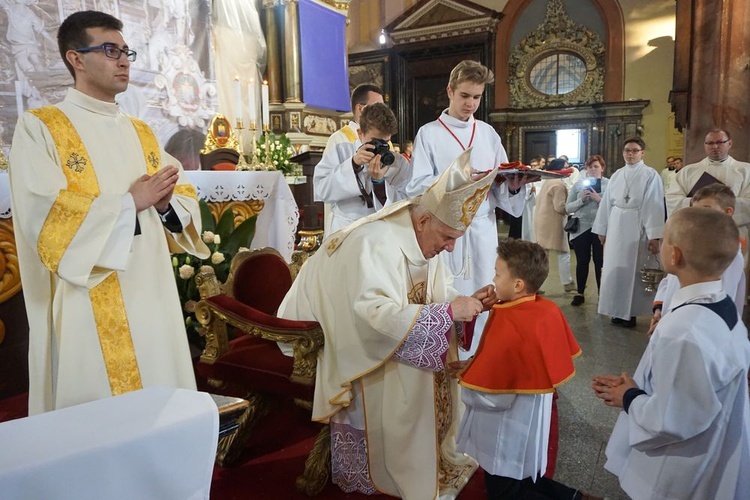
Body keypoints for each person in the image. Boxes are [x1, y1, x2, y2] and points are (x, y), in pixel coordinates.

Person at [8, 10, 209, 414]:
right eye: (109, 49)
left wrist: (168, 205)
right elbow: (43, 216)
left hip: (149, 289)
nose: (123, 60)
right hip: (88, 294)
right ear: (75, 59)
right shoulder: (43, 128)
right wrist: (128, 204)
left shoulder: (141, 131)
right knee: (99, 420)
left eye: (125, 51)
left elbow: (179, 191)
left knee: (159, 407)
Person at [278, 149, 498, 499]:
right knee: (409, 369)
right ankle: (397, 464)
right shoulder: (374, 243)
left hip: (380, 329)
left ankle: (429, 457)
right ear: (423, 221)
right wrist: (447, 314)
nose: (450, 248)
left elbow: (439, 293)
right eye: (447, 237)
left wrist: (467, 304)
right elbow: (371, 316)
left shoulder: (425, 238)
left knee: (428, 358)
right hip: (329, 330)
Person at [593, 207, 750, 499]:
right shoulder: (721, 305)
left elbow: (673, 419)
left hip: (684, 466)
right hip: (713, 444)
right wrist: (641, 388)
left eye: (664, 239)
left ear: (675, 255)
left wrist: (628, 397)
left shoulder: (684, 330)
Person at [407, 60, 534, 359]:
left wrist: (513, 184)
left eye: (476, 97)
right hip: (446, 233)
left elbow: (502, 187)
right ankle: (449, 355)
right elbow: (417, 186)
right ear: (450, 91)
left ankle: (481, 355)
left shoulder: (488, 133)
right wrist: (462, 178)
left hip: (482, 230)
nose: (470, 103)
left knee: (485, 289)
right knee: (449, 291)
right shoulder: (429, 133)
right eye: (465, 95)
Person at [456, 238, 590, 500]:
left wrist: (467, 381)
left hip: (505, 433)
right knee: (527, 476)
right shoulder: (544, 309)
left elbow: (495, 396)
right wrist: (477, 365)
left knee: (504, 492)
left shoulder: (511, 326)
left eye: (497, 274)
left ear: (518, 285)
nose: (493, 280)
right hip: (530, 423)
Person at [649, 183, 746, 335]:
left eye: (705, 210)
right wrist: (660, 309)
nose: (696, 216)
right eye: (694, 210)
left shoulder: (729, 254)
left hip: (696, 327)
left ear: (728, 212)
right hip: (673, 316)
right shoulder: (690, 242)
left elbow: (722, 295)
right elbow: (671, 279)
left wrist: (677, 324)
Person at [592, 137, 664, 328]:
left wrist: (654, 235)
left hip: (637, 224)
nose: (630, 154)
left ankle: (629, 312)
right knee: (613, 269)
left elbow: (654, 206)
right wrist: (602, 229)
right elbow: (607, 203)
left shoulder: (650, 175)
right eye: (627, 150)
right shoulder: (617, 175)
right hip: (616, 224)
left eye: (634, 150)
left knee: (632, 269)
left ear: (642, 153)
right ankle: (615, 309)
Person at [313, 102, 409, 232]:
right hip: (345, 229)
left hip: (381, 231)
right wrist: (353, 164)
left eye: (386, 142)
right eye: (375, 141)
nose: (381, 147)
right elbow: (321, 190)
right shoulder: (341, 152)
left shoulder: (398, 163)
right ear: (360, 133)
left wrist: (379, 183)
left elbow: (405, 204)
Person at [665, 129, 750, 265]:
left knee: (731, 277)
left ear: (729, 143)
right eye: (710, 143)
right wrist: (703, 206)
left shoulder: (745, 170)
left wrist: (713, 207)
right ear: (704, 145)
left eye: (720, 142)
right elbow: (673, 200)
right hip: (696, 233)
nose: (715, 146)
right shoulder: (688, 171)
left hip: (731, 233)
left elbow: (748, 204)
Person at [318, 83, 384, 235]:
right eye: (377, 107)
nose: (382, 113)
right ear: (360, 108)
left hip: (377, 221)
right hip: (347, 223)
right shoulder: (339, 140)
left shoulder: (384, 141)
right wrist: (353, 164)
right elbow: (326, 187)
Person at [566, 155, 609, 306]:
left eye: (596, 166)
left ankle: (602, 293)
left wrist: (599, 199)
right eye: (589, 167)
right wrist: (581, 200)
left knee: (600, 262)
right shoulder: (578, 185)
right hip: (581, 228)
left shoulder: (609, 185)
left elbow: (614, 207)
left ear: (602, 168)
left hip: (601, 229)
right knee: (582, 261)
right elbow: (567, 208)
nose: (592, 170)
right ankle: (580, 293)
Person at [534, 158, 575, 292]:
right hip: (553, 223)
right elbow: (559, 207)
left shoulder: (547, 181)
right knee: (564, 253)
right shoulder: (558, 184)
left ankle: (535, 285)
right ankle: (567, 283)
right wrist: (573, 208)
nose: (567, 169)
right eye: (565, 167)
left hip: (542, 221)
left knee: (542, 256)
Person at [520, 156, 543, 242]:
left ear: (539, 166)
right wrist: (530, 191)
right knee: (528, 223)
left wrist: (536, 191)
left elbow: (543, 189)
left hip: (538, 203)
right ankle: (528, 240)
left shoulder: (542, 175)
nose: (533, 168)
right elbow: (524, 190)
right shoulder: (527, 176)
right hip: (528, 203)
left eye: (535, 165)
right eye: (532, 166)